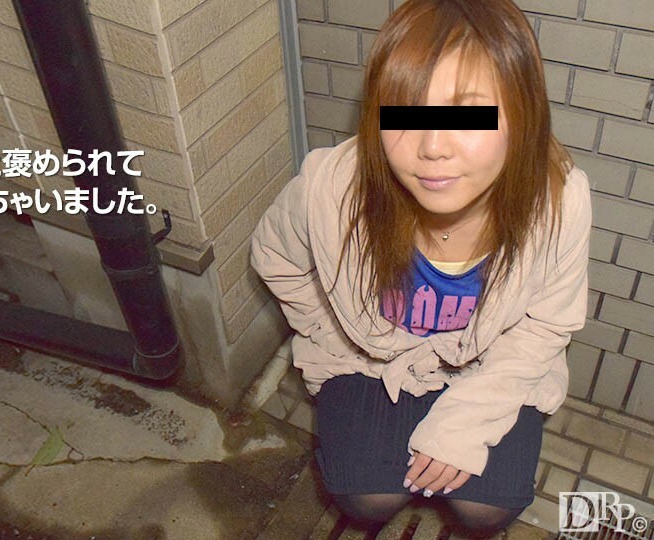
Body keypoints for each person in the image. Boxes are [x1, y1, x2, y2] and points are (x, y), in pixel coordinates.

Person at [250, 0, 591, 537]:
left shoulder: (559, 200)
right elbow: (276, 256)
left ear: (523, 113)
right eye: (404, 112)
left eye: (468, 114)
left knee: (487, 509)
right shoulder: (331, 187)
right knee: (365, 498)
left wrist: (464, 425)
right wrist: (329, 329)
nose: (431, 147)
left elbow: (547, 323)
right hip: (372, 359)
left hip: (489, 361)